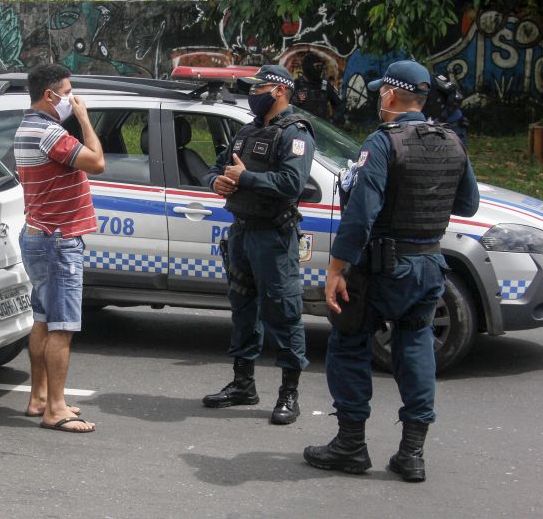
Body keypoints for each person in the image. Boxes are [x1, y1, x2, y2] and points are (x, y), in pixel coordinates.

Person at [303, 60, 480, 482]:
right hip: (430, 266)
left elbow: (362, 214)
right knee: (416, 347)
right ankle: (412, 454)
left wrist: (336, 269)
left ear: (388, 95)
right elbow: (468, 205)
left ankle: (350, 445)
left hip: (383, 267)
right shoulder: (452, 141)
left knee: (348, 342)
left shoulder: (383, 143)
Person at [202, 65, 315, 425]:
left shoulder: (296, 134)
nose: (252, 93)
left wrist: (246, 177)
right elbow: (215, 169)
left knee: (283, 311)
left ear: (280, 90)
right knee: (243, 309)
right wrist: (215, 181)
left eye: (258, 87)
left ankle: (289, 394)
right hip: (242, 232)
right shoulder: (246, 132)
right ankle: (243, 384)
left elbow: (292, 183)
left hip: (274, 236)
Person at [14, 64, 105, 433]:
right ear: (50, 95)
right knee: (62, 327)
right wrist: (84, 119)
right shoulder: (50, 134)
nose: (72, 98)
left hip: (39, 234)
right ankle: (55, 408)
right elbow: (97, 161)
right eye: (68, 92)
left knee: (42, 318)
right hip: (58, 240)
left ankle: (39, 397)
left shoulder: (27, 127)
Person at [292, 52, 344, 124]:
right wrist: (296, 100)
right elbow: (286, 106)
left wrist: (332, 121)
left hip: (319, 129)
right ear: (308, 66)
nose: (319, 69)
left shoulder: (324, 85)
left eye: (321, 66)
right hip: (300, 128)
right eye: (317, 66)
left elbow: (339, 105)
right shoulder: (296, 84)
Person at [423, 73, 468, 144]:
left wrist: (441, 117)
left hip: (451, 124)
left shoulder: (433, 78)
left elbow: (458, 96)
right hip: (430, 127)